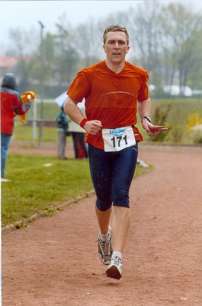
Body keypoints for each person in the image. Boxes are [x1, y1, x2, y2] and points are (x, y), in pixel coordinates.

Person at [64, 25, 167, 280]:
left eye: (121, 42)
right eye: (112, 42)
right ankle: (104, 237)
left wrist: (145, 118)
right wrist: (85, 122)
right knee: (103, 199)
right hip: (99, 142)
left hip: (127, 140)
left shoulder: (139, 74)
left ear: (128, 47)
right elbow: (69, 104)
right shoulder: (88, 75)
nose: (117, 46)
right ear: (104, 46)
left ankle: (117, 258)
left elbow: (144, 98)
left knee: (121, 193)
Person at [0, 73, 31, 181]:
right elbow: (20, 110)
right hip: (6, 126)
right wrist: (28, 103)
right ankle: (1, 174)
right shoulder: (15, 95)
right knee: (2, 149)